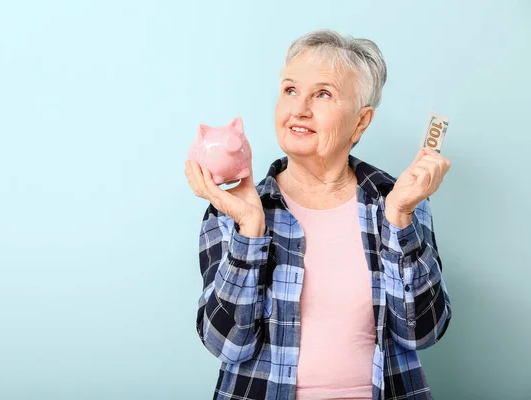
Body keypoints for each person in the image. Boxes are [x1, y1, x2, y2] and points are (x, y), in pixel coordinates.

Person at [184, 29, 452, 400]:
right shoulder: (234, 209)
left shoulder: (399, 200)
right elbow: (227, 345)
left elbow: (422, 331)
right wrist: (249, 230)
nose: (299, 109)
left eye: (323, 94)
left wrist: (401, 217)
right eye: (290, 90)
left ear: (360, 122)